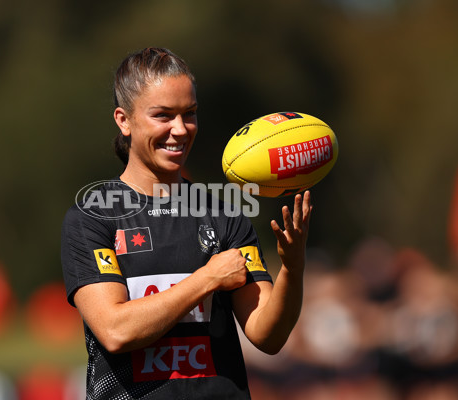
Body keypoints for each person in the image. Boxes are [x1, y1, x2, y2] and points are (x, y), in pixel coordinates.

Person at [61, 47, 312, 399]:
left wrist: (293, 268)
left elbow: (266, 335)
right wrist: (207, 279)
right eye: (163, 115)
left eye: (189, 114)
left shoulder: (224, 216)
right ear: (124, 120)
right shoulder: (93, 217)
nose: (180, 130)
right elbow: (116, 331)